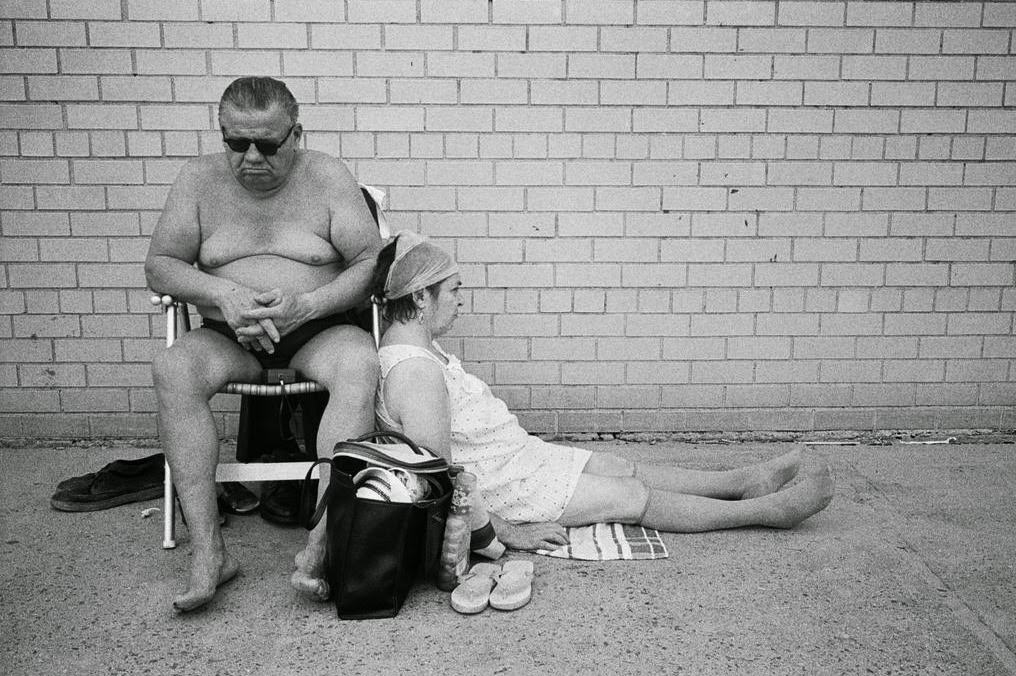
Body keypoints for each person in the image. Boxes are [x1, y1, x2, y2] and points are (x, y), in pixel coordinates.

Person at [371, 232, 834, 551]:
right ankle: (764, 510)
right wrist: (507, 532)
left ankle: (739, 482)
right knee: (628, 496)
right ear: (419, 298)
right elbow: (438, 478)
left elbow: (401, 252)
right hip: (508, 487)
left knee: (617, 464)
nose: (461, 301)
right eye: (453, 291)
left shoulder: (417, 345)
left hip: (520, 458)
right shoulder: (416, 373)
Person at [145, 77, 382, 611]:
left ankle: (321, 542)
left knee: (360, 363)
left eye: (270, 144)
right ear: (222, 133)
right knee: (173, 369)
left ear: (296, 134)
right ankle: (209, 552)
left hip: (315, 332)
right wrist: (223, 293)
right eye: (237, 143)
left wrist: (309, 304)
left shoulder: (326, 176)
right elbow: (159, 266)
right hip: (230, 336)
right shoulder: (198, 180)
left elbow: (370, 263)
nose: (252, 157)